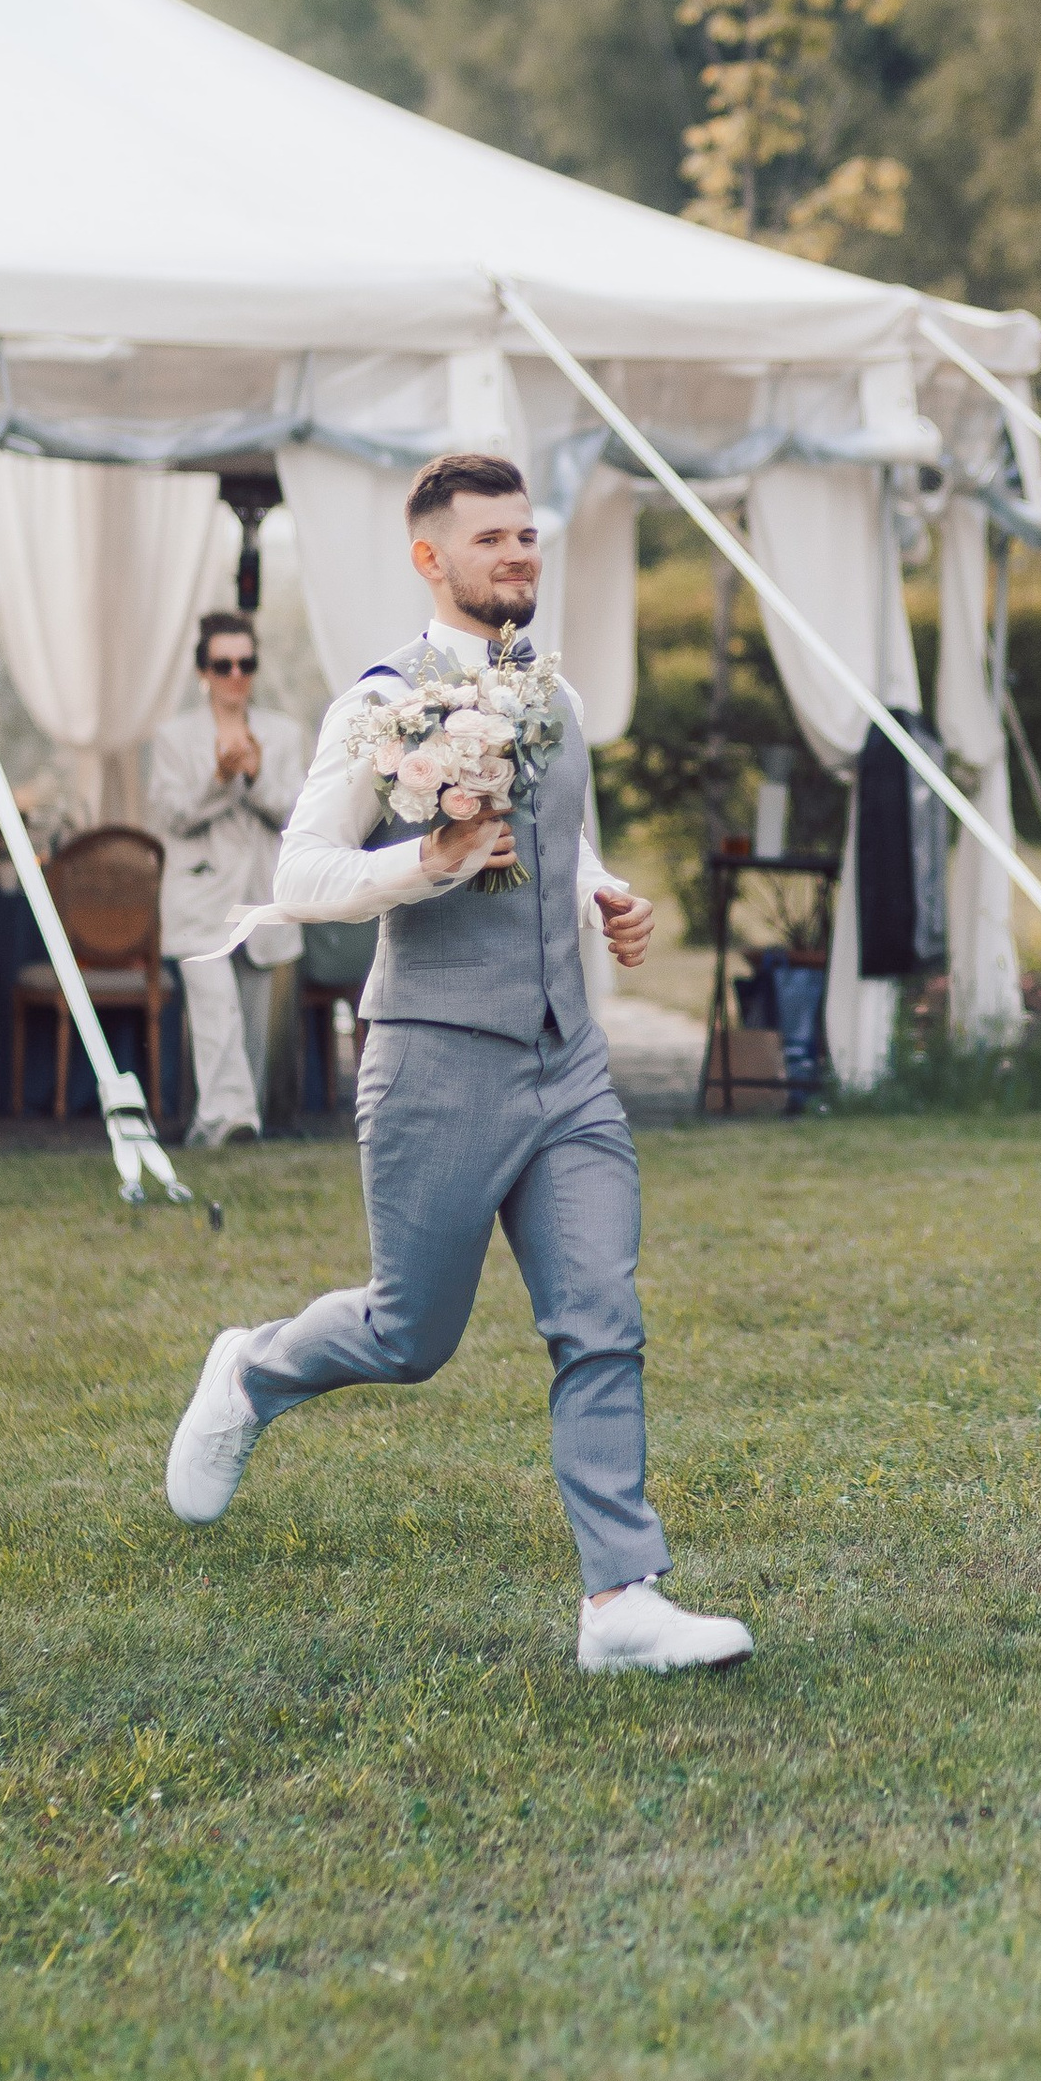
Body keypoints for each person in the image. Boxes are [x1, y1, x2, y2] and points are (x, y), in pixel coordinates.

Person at [162, 450, 751, 1678]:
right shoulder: (376, 705)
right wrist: (421, 864)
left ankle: (621, 1602)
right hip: (434, 1059)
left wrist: (603, 897)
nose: (519, 555)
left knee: (601, 1318)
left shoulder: (557, 694)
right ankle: (252, 1369)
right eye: (492, 539)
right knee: (406, 1334)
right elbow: (301, 877)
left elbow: (563, 830)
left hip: (566, 1064)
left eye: (527, 536)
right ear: (431, 558)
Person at [145, 613, 306, 1146]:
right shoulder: (173, 737)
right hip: (199, 895)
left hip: (262, 896)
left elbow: (299, 816)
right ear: (203, 671)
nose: (235, 674)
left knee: (252, 1028)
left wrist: (256, 775)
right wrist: (218, 778)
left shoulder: (283, 734)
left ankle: (219, 1125)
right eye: (223, 664)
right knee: (215, 1010)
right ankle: (233, 1118)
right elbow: (173, 816)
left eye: (246, 663)